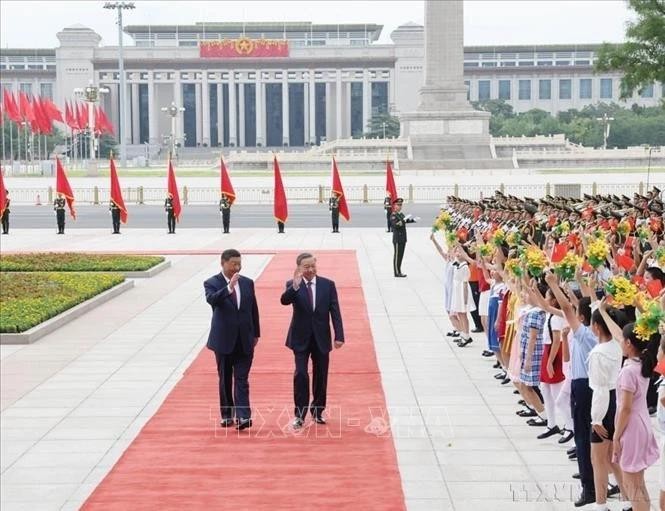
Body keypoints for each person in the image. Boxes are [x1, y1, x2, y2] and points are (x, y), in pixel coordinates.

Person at [280, 252, 344, 429]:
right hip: (300, 337)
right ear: (299, 268)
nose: (310, 269)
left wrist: (339, 335)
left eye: (313, 266)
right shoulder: (293, 285)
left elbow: (335, 311)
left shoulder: (327, 285)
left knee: (321, 375)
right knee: (300, 374)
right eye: (306, 267)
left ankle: (318, 411)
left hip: (321, 337)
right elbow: (284, 301)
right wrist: (295, 285)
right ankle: (299, 415)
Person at [204, 249, 261, 431]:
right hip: (223, 340)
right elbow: (212, 300)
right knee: (225, 378)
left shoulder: (247, 283)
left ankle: (243, 416)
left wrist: (256, 333)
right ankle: (227, 415)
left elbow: (253, 309)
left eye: (239, 263)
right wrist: (229, 288)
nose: (237, 267)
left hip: (245, 338)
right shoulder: (212, 283)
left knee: (242, 378)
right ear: (223, 263)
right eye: (233, 264)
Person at [613, 323, 659, 511]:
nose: (620, 343)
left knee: (632, 485)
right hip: (642, 424)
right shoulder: (642, 363)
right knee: (638, 483)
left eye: (623, 341)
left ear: (629, 343)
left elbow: (625, 408)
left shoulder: (629, 370)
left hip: (631, 428)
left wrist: (616, 436)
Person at [390, 198, 415, 278]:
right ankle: (396, 272)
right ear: (394, 205)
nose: (400, 206)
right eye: (398, 205)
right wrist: (402, 222)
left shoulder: (400, 214)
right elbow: (395, 225)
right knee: (397, 255)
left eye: (401, 205)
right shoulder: (393, 215)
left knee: (401, 255)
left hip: (403, 238)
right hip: (397, 238)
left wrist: (413, 220)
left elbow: (406, 221)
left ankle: (399, 271)